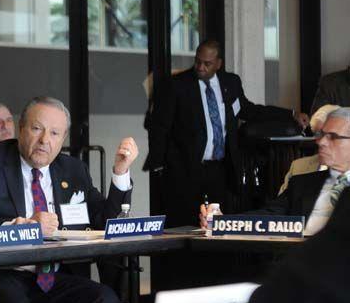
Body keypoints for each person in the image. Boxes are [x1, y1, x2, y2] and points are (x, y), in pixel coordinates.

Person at [0, 167, 350, 303]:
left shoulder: (70, 169)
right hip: (8, 275)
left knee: (100, 300)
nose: (321, 142)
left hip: (56, 280)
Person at [0, 96, 138, 303]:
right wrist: (26, 226)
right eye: (36, 129)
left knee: (104, 302)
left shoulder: (73, 169)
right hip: (2, 272)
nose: (45, 141)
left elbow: (103, 222)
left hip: (53, 274)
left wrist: (120, 173)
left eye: (55, 133)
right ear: (21, 129)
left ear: (63, 139)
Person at [147, 39, 309, 228]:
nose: (200, 67)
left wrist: (290, 115)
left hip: (221, 168)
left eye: (207, 63)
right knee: (184, 223)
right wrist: (159, 166)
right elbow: (160, 127)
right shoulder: (178, 85)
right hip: (185, 168)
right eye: (197, 61)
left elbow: (249, 111)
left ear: (218, 63)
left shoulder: (230, 83)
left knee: (219, 224)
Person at [202, 107, 350, 238]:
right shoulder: (301, 184)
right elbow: (268, 217)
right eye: (321, 135)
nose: (321, 142)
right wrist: (220, 222)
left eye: (333, 137)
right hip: (301, 264)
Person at [278, 104, 339, 194]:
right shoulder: (298, 167)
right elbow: (278, 206)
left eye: (330, 135)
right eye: (319, 134)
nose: (321, 141)